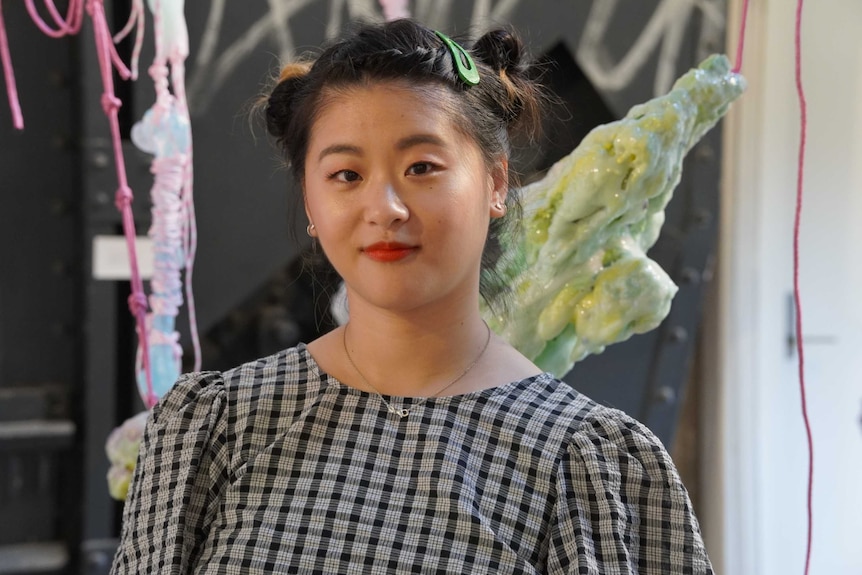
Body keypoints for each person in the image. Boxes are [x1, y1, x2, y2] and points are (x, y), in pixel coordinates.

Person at [111, 18, 713, 574]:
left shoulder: (587, 466)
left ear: (496, 181)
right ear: (311, 202)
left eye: (422, 167)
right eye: (346, 175)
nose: (385, 209)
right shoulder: (217, 428)